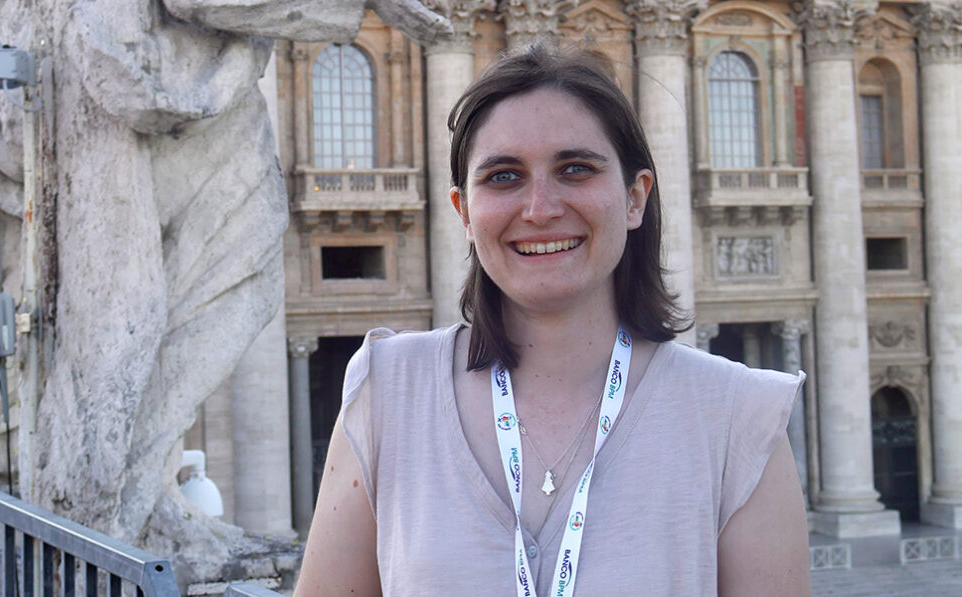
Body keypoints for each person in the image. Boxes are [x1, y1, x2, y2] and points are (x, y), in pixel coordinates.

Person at [295, 44, 810, 597]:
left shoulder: (740, 419)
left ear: (635, 199)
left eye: (575, 169)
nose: (540, 208)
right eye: (503, 176)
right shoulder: (387, 392)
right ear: (465, 213)